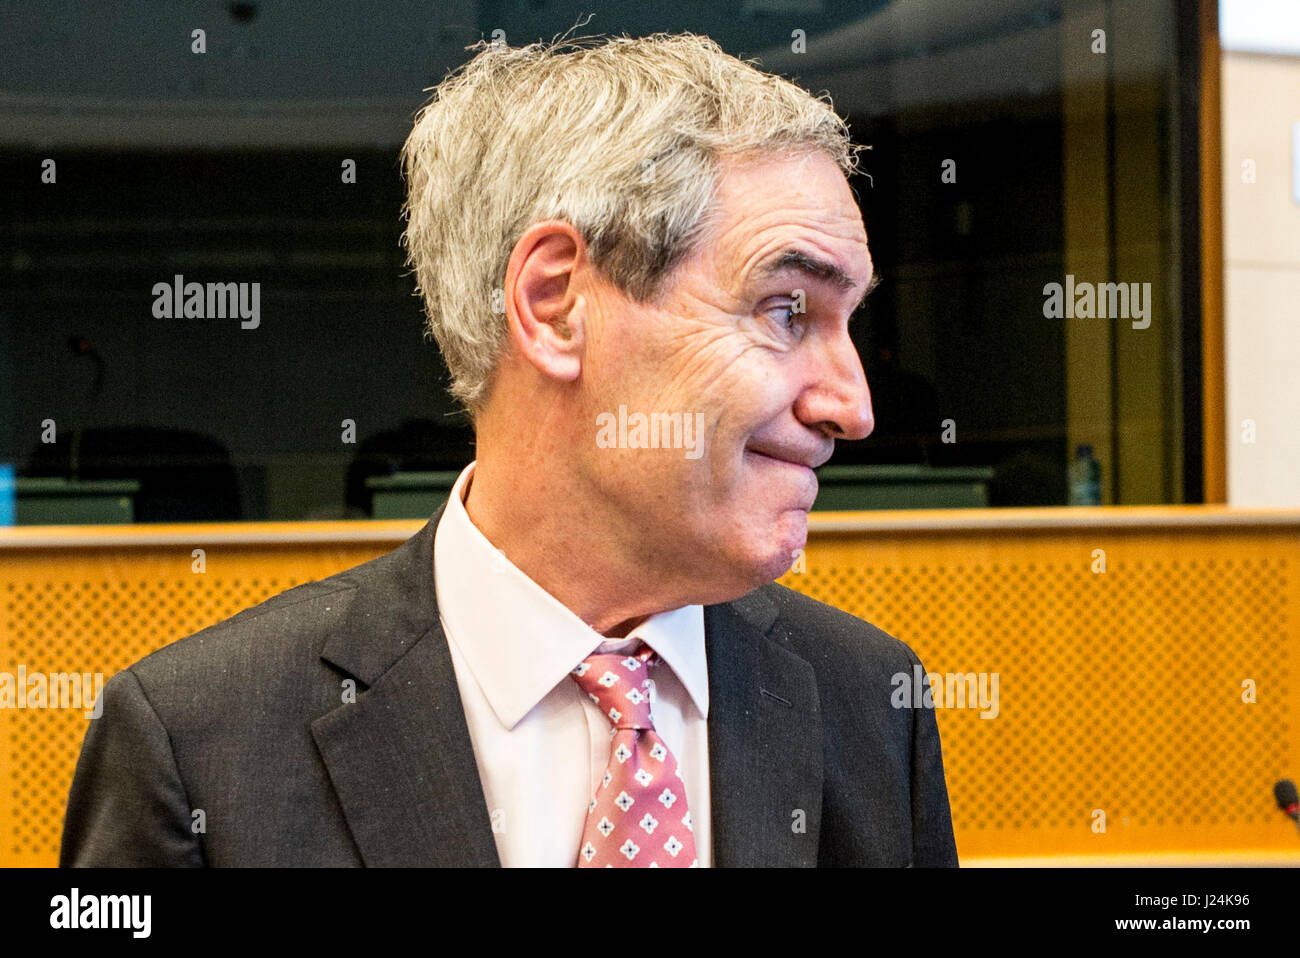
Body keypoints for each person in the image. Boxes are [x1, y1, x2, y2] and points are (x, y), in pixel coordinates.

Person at [60, 31, 958, 868]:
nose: (854, 406)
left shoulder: (874, 703)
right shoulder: (197, 743)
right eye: (785, 309)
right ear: (557, 302)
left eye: (850, 322)